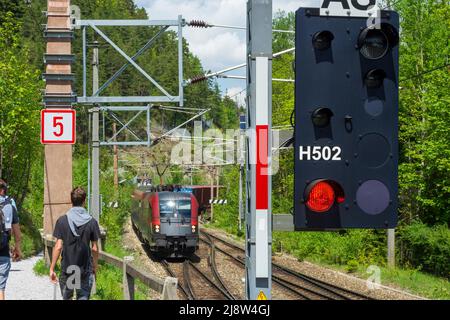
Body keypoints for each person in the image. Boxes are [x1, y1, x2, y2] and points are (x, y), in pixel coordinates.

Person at [49, 187, 100, 300]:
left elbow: (58, 246)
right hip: (85, 269)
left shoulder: (62, 221)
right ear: (84, 201)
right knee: (83, 297)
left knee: (68, 297)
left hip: (68, 268)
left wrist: (52, 268)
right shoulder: (92, 222)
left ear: (71, 200)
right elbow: (95, 248)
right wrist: (95, 266)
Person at [0, 179, 22, 300]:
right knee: (0, 289)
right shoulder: (10, 205)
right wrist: (17, 249)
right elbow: (18, 234)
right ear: (3, 190)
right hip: (3, 252)